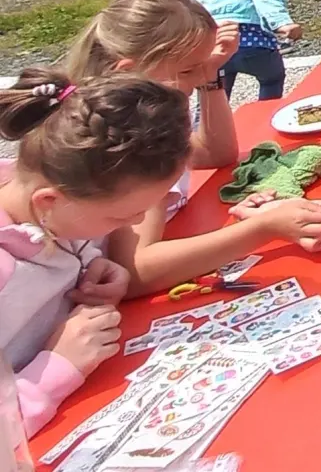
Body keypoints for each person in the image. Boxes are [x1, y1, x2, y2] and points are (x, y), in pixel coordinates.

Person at [64, 0, 321, 295]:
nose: (194, 82)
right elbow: (137, 271)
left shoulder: (133, 114)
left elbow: (215, 152)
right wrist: (264, 227)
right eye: (189, 70)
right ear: (131, 71)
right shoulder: (128, 138)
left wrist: (210, 75)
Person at [0, 70, 194, 436]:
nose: (137, 223)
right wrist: (55, 368)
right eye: (122, 216)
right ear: (48, 202)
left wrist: (97, 265)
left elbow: (59, 253)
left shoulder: (50, 206)